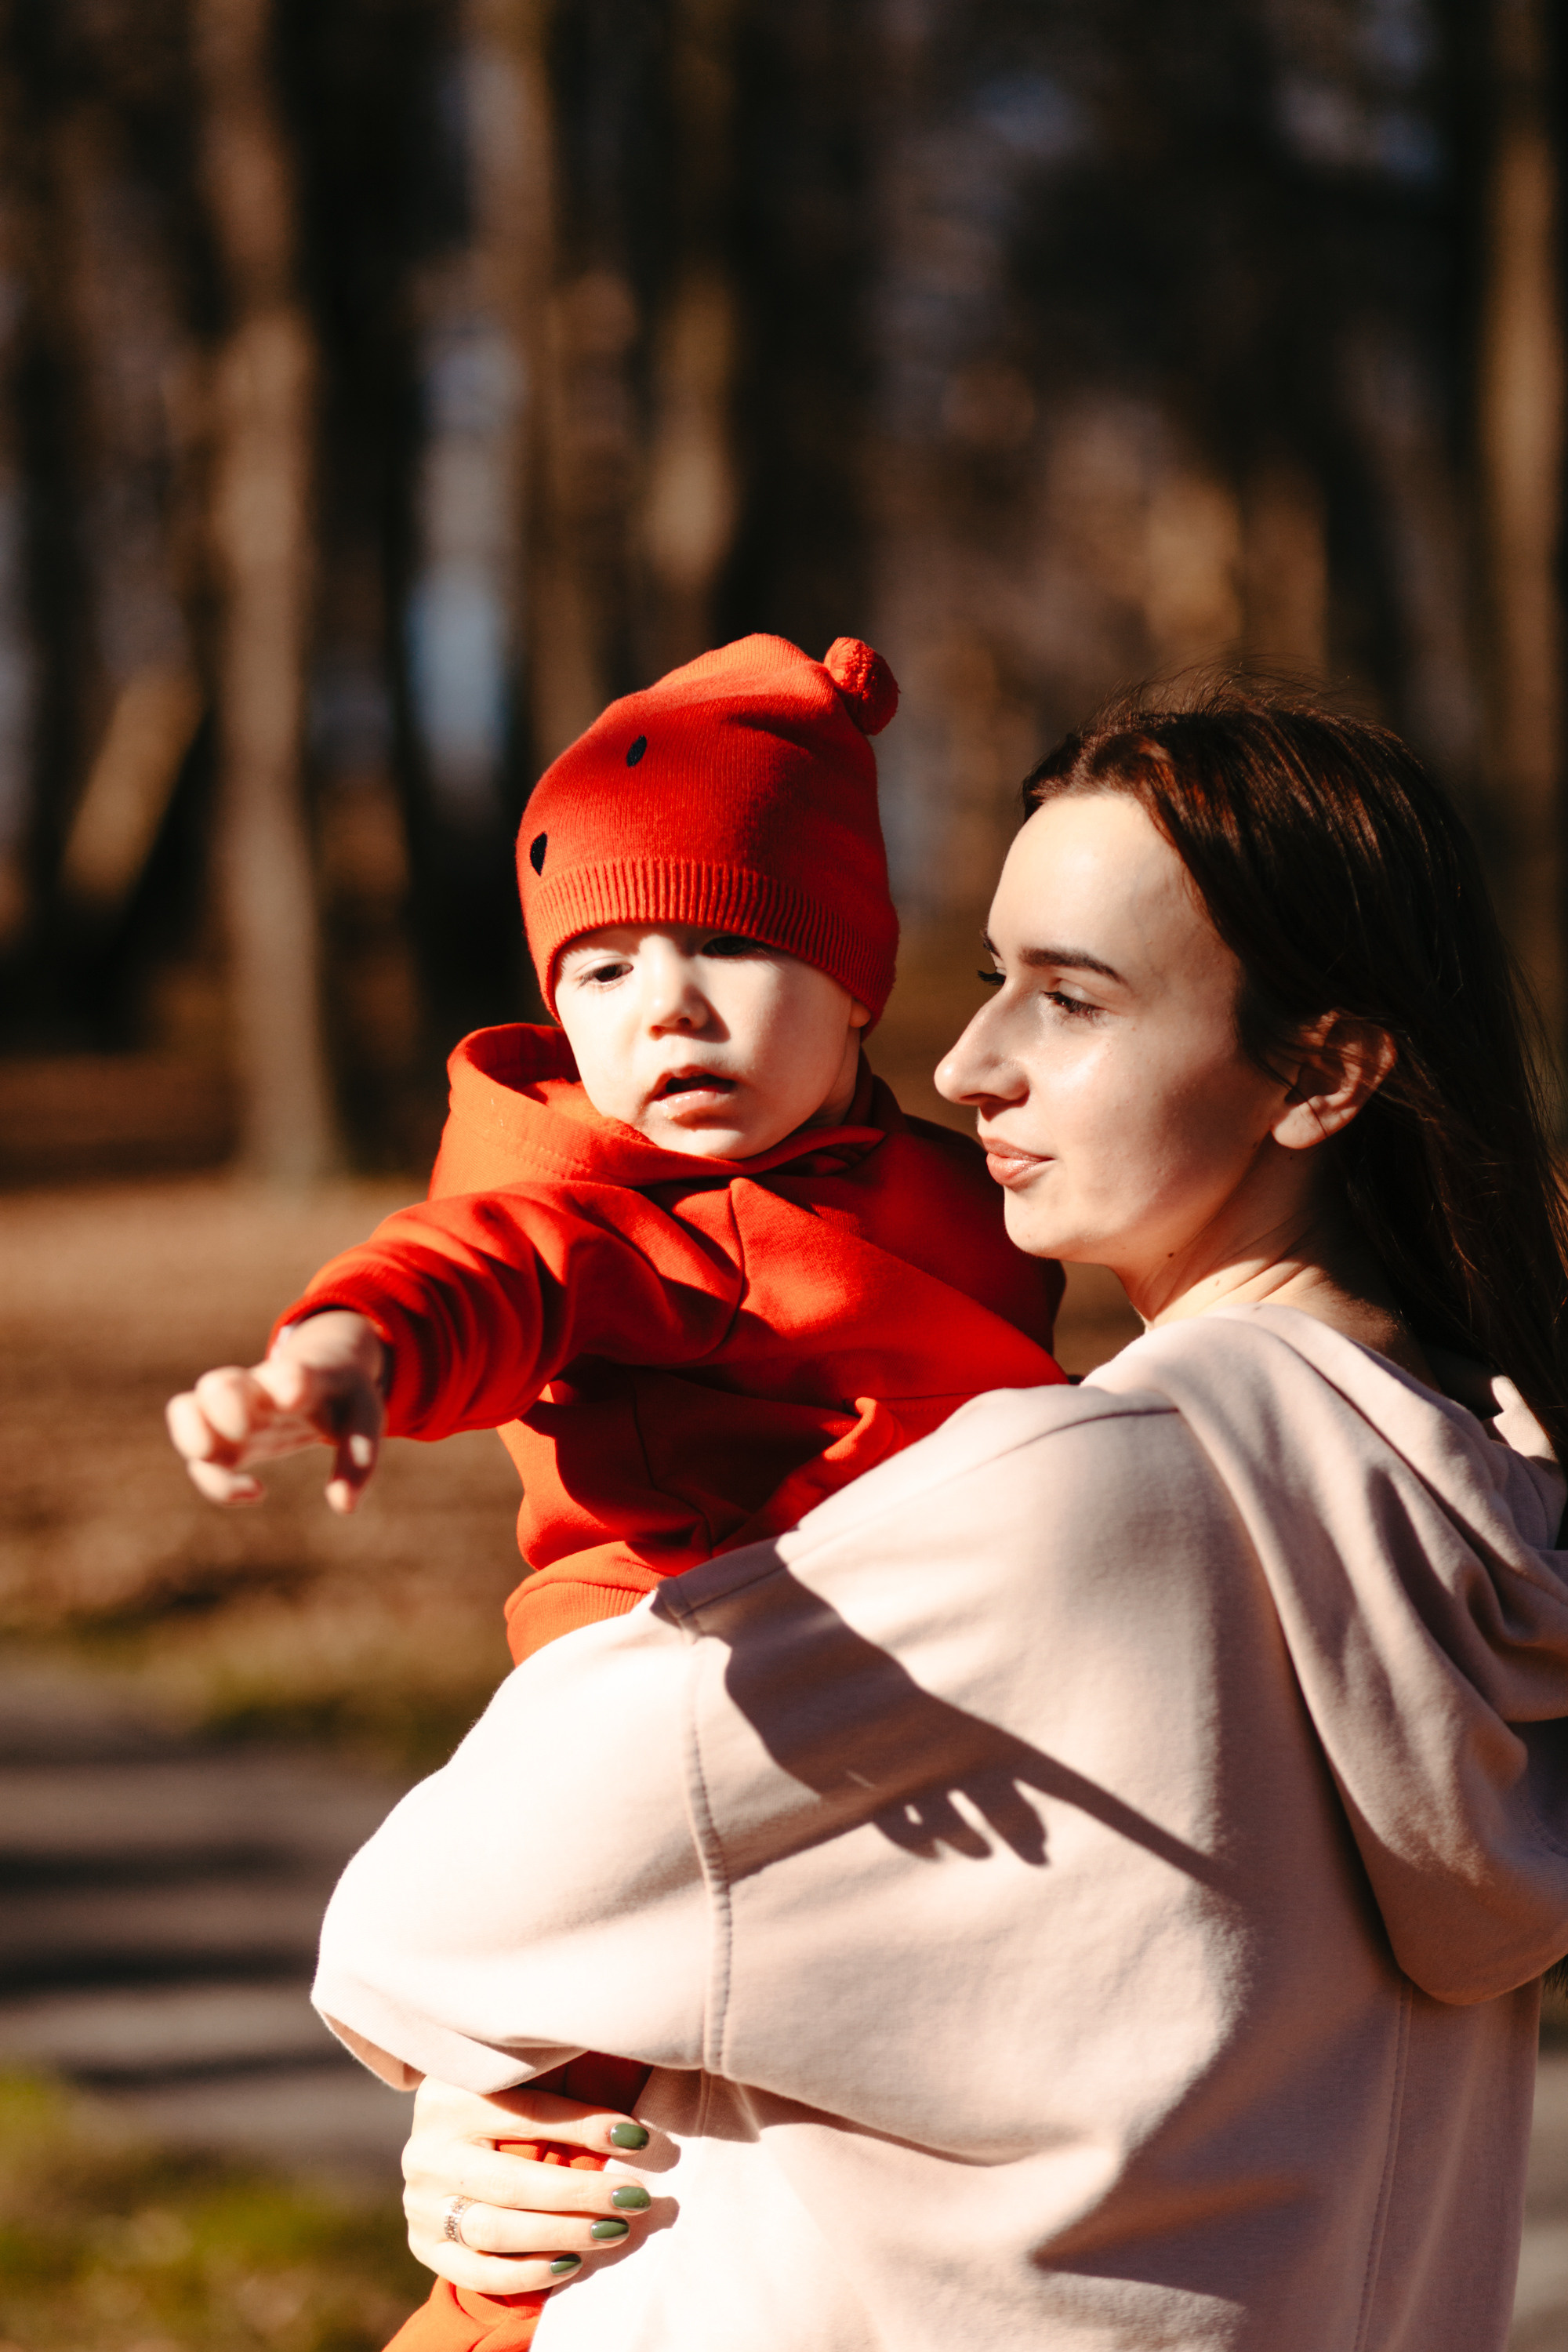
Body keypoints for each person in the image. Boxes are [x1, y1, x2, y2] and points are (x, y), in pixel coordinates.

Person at [311, 688, 1568, 2351]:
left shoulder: (1066, 1507)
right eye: (991, 981)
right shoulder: (1495, 1516)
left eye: (1072, 998)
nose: (970, 1067)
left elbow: (425, 1924)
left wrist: (483, 2112)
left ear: (1323, 1070)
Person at [165, 631, 1065, 2350]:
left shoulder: (962, 1195)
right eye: (601, 967)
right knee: (557, 2158)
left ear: (856, 977)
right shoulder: (617, 1211)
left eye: (731, 943)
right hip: (669, 1695)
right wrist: (341, 1355)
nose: (665, 1007)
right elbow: (480, 1269)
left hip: (928, 1702)